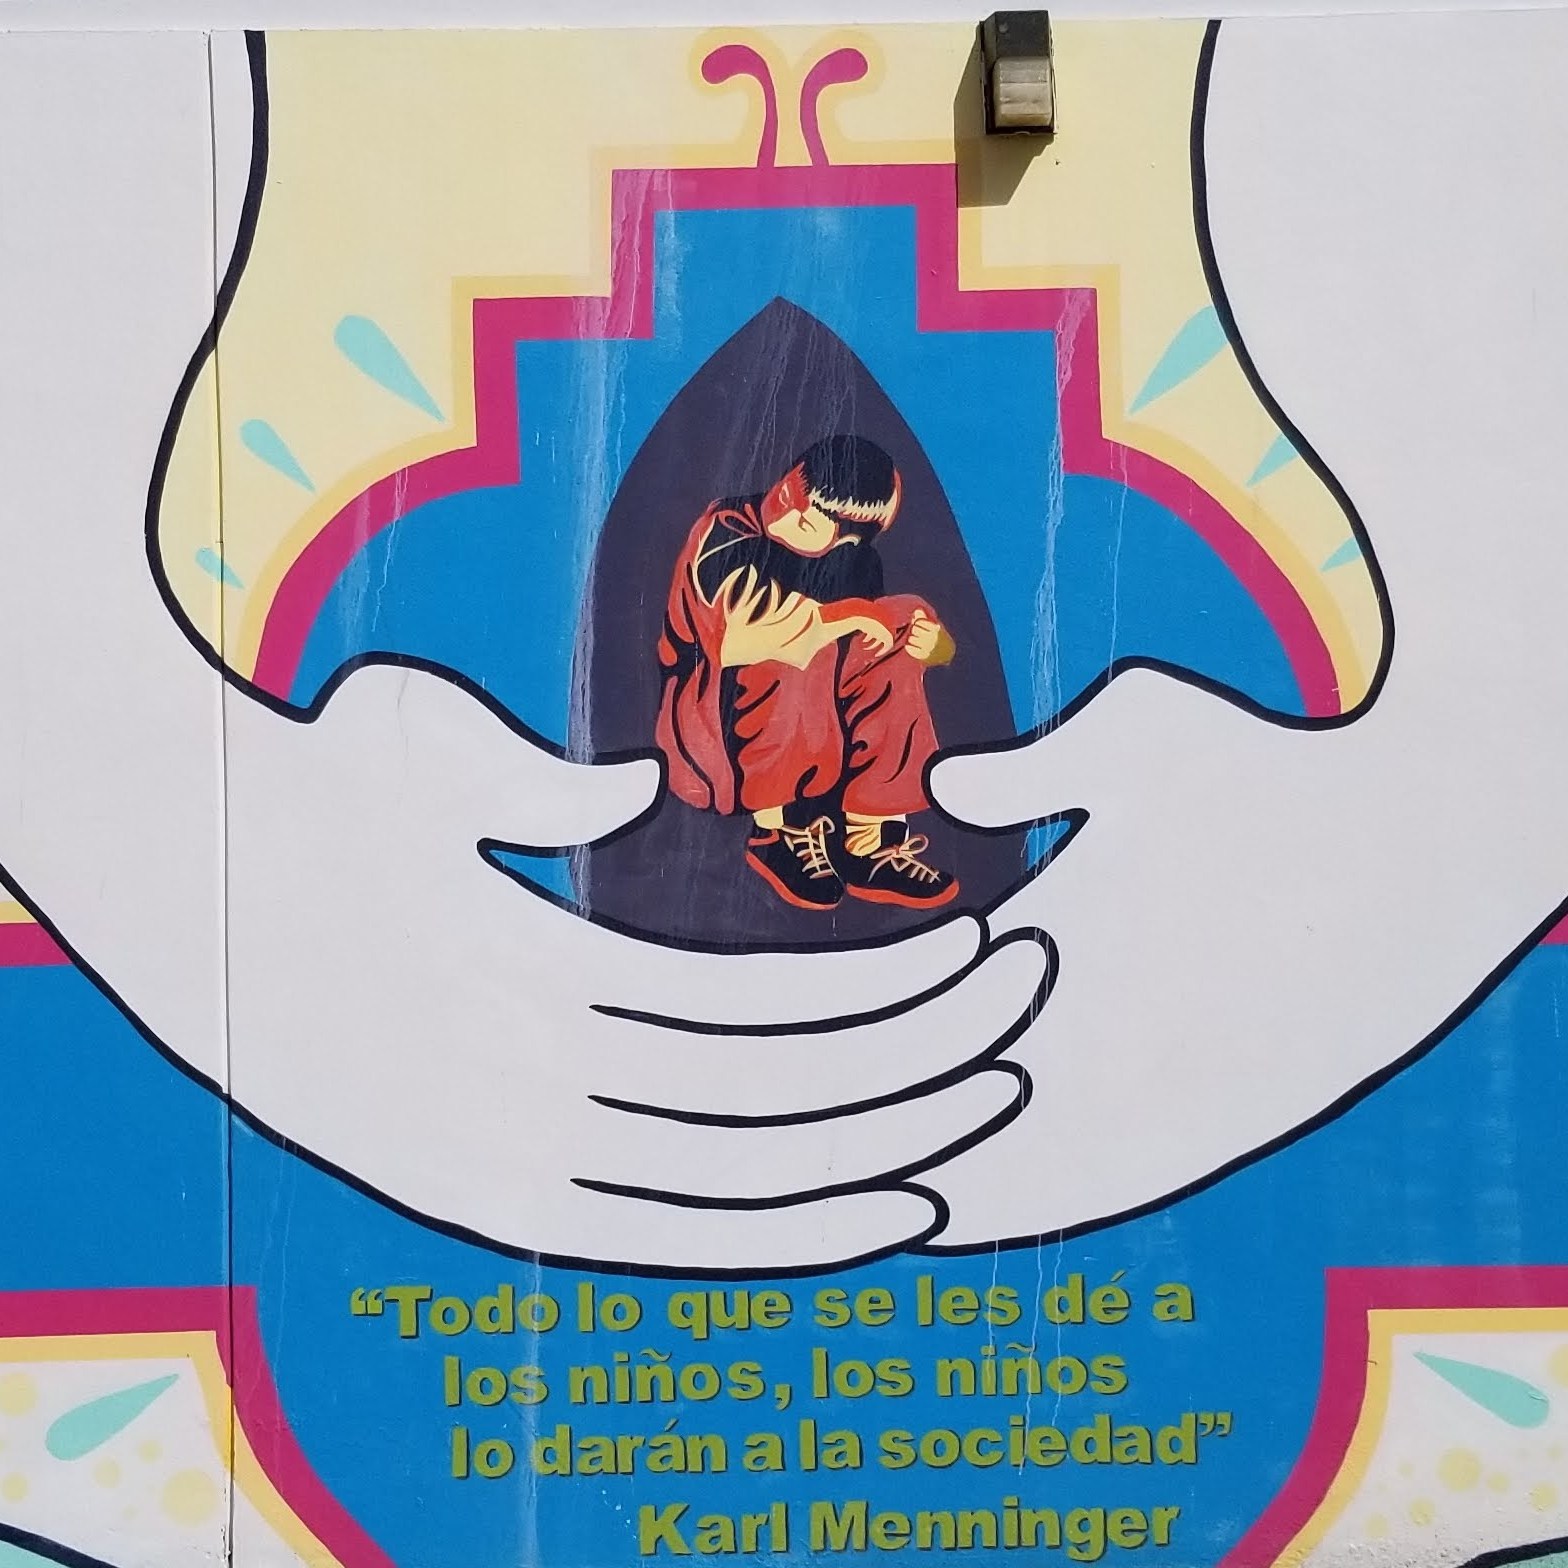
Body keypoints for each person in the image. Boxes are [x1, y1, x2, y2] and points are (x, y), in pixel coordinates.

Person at [655, 435, 960, 911]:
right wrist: (850, 616)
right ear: (791, 495)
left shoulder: (849, 558)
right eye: (839, 525)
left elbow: (870, 644)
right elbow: (739, 638)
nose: (849, 542)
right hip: (712, 724)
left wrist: (934, 646)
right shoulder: (726, 532)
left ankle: (867, 839)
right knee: (795, 646)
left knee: (902, 616)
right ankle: (777, 832)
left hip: (815, 724)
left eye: (861, 532)